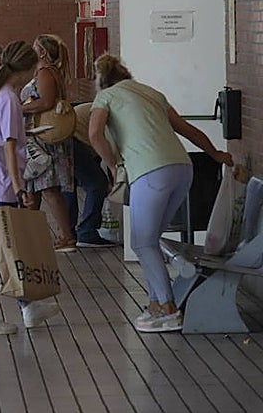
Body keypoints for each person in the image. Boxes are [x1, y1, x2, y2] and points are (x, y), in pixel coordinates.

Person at [87, 54, 233, 332]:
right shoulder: (151, 93)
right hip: (182, 169)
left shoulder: (105, 96)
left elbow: (95, 134)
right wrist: (215, 153)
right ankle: (155, 304)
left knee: (142, 242)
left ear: (102, 81)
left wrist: (113, 163)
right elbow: (187, 129)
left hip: (150, 172)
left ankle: (167, 308)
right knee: (149, 240)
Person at [0, 40, 63, 336]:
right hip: (3, 180)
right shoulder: (9, 97)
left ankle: (27, 306)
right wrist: (18, 184)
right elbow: (10, 146)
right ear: (24, 70)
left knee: (3, 243)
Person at [21, 34, 77, 252]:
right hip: (39, 136)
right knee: (34, 187)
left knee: (48, 187)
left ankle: (66, 235)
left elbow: (46, 101)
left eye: (34, 47)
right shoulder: (47, 72)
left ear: (42, 52)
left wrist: (20, 108)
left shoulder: (45, 73)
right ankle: (27, 233)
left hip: (44, 137)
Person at [66, 102, 117, 247]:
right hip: (76, 141)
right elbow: (110, 150)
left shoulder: (99, 105)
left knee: (69, 187)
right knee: (97, 184)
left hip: (66, 138)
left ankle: (68, 233)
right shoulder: (113, 113)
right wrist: (113, 180)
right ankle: (87, 232)